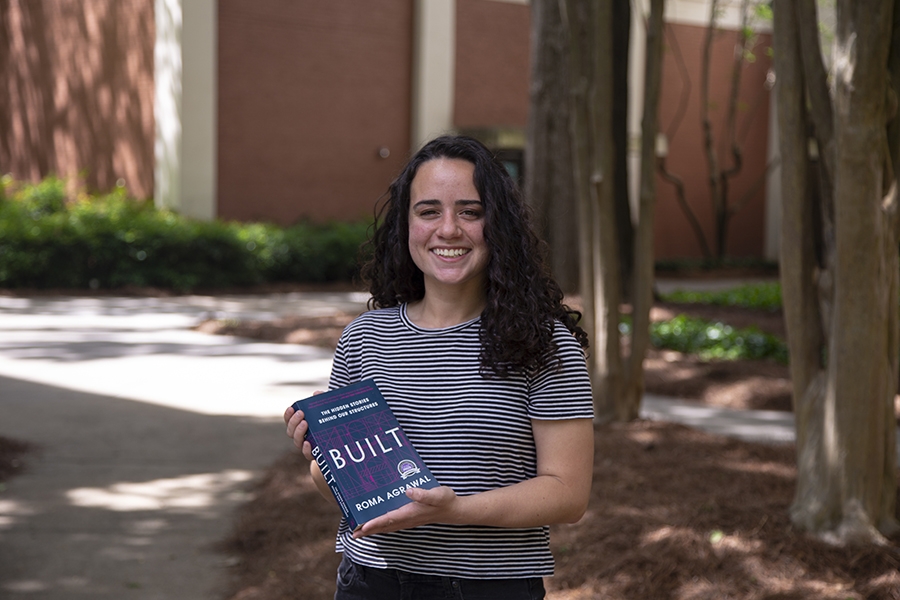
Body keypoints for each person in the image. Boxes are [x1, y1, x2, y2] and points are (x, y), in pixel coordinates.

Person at [284, 135, 594, 599]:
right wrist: (319, 459)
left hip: (489, 588)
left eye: (470, 211)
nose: (448, 229)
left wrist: (455, 510)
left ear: (499, 225)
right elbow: (348, 497)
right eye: (428, 211)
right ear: (405, 225)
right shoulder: (365, 338)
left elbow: (568, 495)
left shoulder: (545, 343)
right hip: (370, 581)